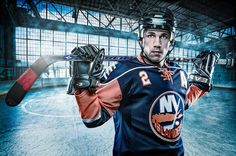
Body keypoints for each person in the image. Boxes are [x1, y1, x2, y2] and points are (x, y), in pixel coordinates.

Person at [67, 7, 219, 156]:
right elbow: (93, 118)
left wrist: (201, 83)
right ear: (141, 38)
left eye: (164, 36)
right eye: (151, 35)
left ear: (171, 40)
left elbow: (181, 103)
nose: (157, 43)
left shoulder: (179, 72)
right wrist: (83, 84)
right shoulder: (124, 72)